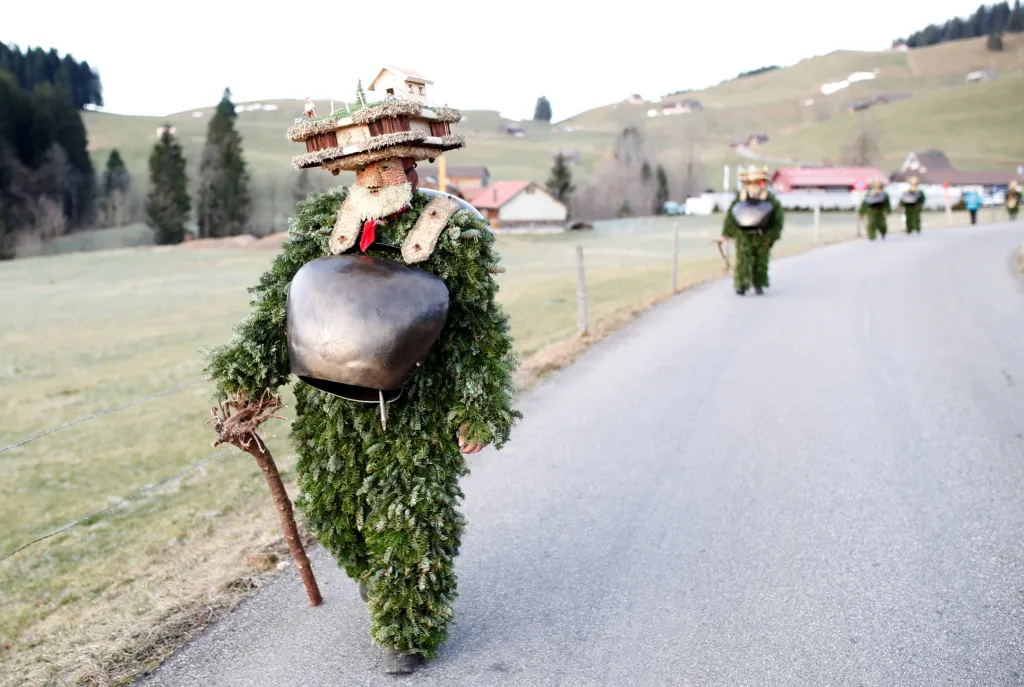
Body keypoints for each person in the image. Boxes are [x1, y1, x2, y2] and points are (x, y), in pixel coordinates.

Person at [203, 79, 521, 674]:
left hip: (415, 406)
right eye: (362, 167)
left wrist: (481, 406)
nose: (373, 178)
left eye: (384, 164)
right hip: (329, 411)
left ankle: (408, 626)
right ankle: (378, 575)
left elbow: (479, 331)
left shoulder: (454, 230)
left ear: (409, 162)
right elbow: (280, 307)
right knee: (333, 511)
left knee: (411, 518)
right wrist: (248, 375)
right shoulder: (324, 220)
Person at [722, 165, 784, 295]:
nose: (754, 185)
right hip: (744, 236)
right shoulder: (739, 200)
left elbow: (777, 221)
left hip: (762, 236)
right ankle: (741, 284)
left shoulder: (770, 200)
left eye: (758, 182)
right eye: (750, 183)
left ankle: (759, 283)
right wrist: (727, 233)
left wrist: (771, 237)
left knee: (761, 261)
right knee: (743, 259)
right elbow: (730, 217)